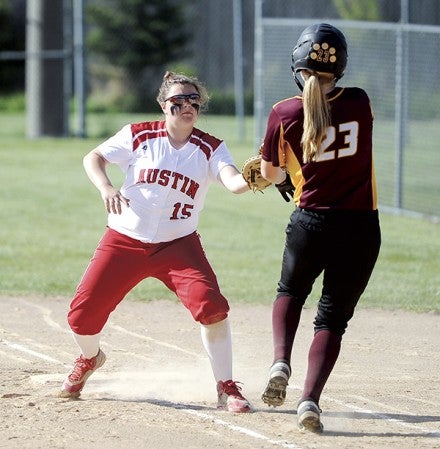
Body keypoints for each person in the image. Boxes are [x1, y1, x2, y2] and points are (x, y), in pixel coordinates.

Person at [58, 71, 252, 413]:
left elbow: (234, 183)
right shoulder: (140, 134)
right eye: (178, 101)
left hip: (178, 245)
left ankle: (225, 385)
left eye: (194, 100)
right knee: (82, 316)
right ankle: (90, 359)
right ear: (164, 106)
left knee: (212, 307)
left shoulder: (210, 148)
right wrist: (106, 187)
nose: (187, 106)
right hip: (124, 240)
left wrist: (259, 175)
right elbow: (94, 157)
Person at [259, 23, 381, 432]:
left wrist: (281, 178)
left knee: (291, 291)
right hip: (360, 227)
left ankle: (280, 361)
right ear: (340, 66)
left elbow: (273, 174)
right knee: (331, 319)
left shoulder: (284, 112)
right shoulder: (361, 103)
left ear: (297, 64)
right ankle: (309, 401)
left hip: (310, 222)